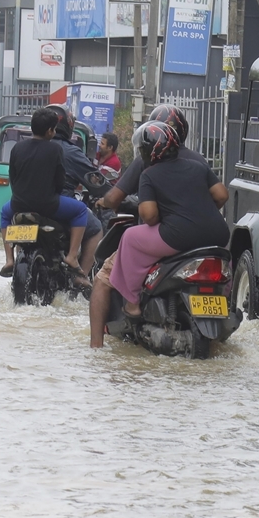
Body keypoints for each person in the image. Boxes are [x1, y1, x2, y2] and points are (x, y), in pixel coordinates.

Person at [90, 104, 206, 347]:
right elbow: (217, 197)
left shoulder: (147, 162)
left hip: (159, 241)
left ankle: (95, 348)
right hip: (198, 240)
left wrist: (103, 200)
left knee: (102, 280)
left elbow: (128, 204)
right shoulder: (199, 161)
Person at [107, 121, 229, 322]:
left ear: (148, 151)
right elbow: (222, 195)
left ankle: (132, 303)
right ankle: (224, 299)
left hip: (177, 237)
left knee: (129, 236)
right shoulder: (198, 166)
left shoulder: (149, 174)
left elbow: (149, 216)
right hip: (217, 234)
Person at [0, 107, 91, 286]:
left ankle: (9, 259)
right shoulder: (55, 150)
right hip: (49, 205)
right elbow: (59, 181)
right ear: (50, 131)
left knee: (4, 213)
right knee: (80, 211)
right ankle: (72, 257)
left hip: (18, 204)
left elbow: (13, 178)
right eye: (54, 129)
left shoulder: (17, 148)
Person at [43, 102, 103, 276]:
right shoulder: (69, 152)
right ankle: (80, 274)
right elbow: (95, 180)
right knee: (95, 228)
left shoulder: (25, 147)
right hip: (58, 205)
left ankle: (13, 260)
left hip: (25, 202)